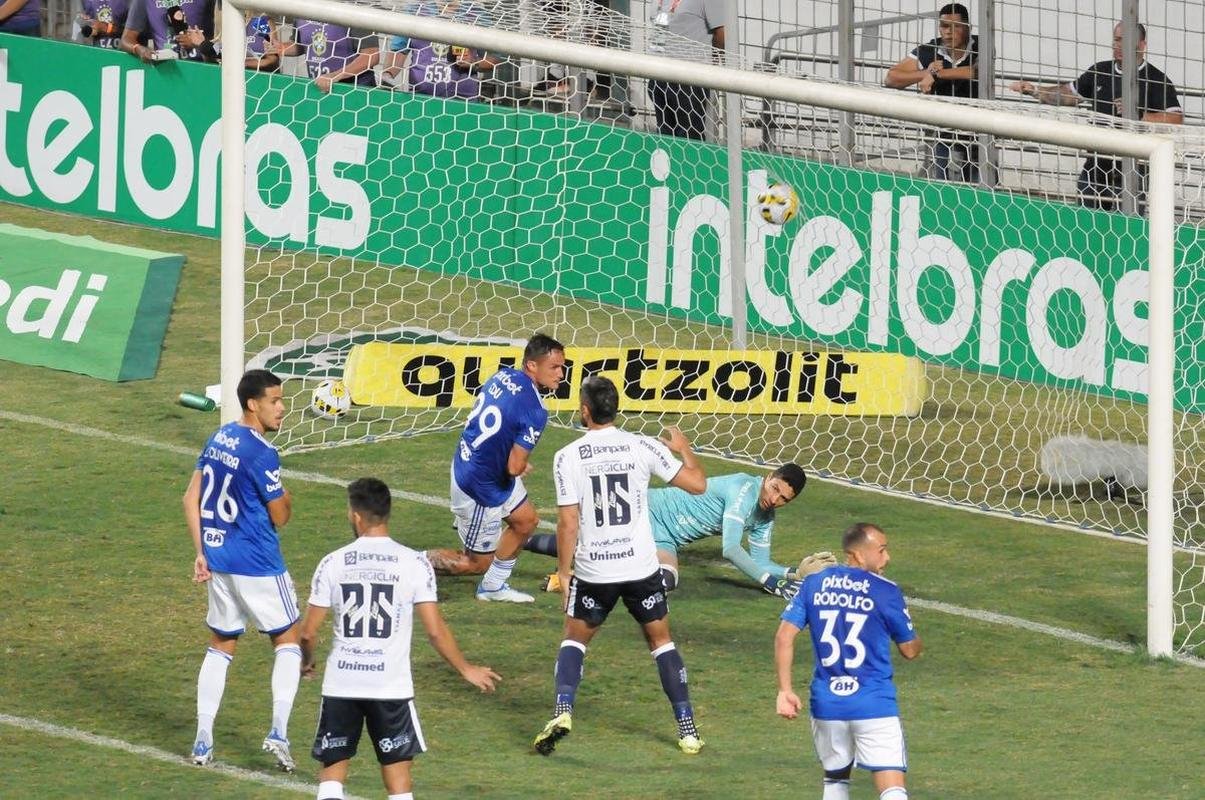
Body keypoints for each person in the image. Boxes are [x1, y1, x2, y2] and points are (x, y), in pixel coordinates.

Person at [532, 376, 708, 756]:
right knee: (662, 643)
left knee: (574, 639)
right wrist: (683, 448)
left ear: (584, 411)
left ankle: (563, 711)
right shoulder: (642, 446)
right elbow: (697, 485)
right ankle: (688, 729)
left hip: (595, 572)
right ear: (616, 409)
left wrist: (565, 573)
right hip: (641, 568)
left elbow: (568, 523)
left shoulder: (568, 456)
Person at [299, 477, 500, 800]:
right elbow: (435, 631)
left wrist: (306, 662)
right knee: (398, 782)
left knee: (332, 775)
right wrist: (465, 669)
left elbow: (307, 633)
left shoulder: (332, 563)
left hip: (342, 683)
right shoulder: (413, 563)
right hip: (389, 686)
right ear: (387, 513)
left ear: (356, 516)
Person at [182, 369, 302, 771]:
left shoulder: (219, 438)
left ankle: (202, 738)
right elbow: (280, 517)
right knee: (288, 639)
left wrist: (201, 552)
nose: (282, 408)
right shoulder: (261, 453)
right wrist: (285, 494)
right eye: (275, 401)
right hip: (258, 563)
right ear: (253, 404)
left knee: (221, 644)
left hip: (218, 559)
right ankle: (279, 732)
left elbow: (190, 498)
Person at [528, 464, 837, 597]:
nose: (774, 499)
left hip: (666, 537)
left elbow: (761, 563)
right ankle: (524, 539)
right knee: (590, 546)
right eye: (774, 488)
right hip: (646, 511)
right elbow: (730, 549)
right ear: (768, 476)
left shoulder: (765, 518)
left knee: (666, 580)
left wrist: (792, 573)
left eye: (784, 498)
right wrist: (769, 582)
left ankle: (575, 572)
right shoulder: (744, 488)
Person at [774, 523, 922, 800]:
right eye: (882, 550)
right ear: (858, 554)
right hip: (873, 703)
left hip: (827, 704)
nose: (887, 558)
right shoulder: (885, 590)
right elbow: (910, 650)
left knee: (835, 781)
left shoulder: (814, 583)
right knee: (892, 787)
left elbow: (784, 637)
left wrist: (785, 690)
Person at [426, 333, 566, 603]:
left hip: (474, 462)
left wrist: (509, 461)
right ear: (532, 366)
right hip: (481, 486)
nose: (561, 373)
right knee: (475, 562)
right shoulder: (536, 410)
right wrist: (519, 464)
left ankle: (493, 587)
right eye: (555, 367)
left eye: (562, 366)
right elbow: (515, 467)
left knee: (526, 521)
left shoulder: (503, 376)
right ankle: (406, 565)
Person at [1009, 22, 1183, 210]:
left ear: (1142, 45)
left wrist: (1138, 115)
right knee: (1084, 225)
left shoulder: (1156, 80)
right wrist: (1035, 91)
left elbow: (1176, 120)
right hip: (1095, 168)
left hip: (1132, 171)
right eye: (1116, 40)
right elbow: (1069, 94)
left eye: (1126, 41)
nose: (1119, 46)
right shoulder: (1099, 71)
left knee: (1124, 231)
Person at [884, 3, 981, 184]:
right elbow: (891, 78)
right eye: (944, 26)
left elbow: (976, 72)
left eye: (956, 27)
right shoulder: (930, 49)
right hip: (943, 133)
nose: (949, 32)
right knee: (943, 188)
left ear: (968, 28)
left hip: (978, 133)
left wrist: (936, 74)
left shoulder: (981, 45)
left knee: (982, 189)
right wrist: (925, 73)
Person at [647, 0, 724, 140]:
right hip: (658, 75)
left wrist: (713, 59)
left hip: (689, 80)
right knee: (665, 135)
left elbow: (722, 34)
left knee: (689, 136)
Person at [270, 20, 379, 92]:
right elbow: (300, 46)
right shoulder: (303, 11)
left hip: (356, 90)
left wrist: (335, 76)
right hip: (320, 87)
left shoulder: (353, 12)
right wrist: (281, 48)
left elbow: (372, 55)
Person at [121, 0, 216, 63]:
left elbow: (223, 44)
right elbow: (126, 39)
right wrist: (140, 49)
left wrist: (200, 44)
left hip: (201, 69)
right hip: (165, 70)